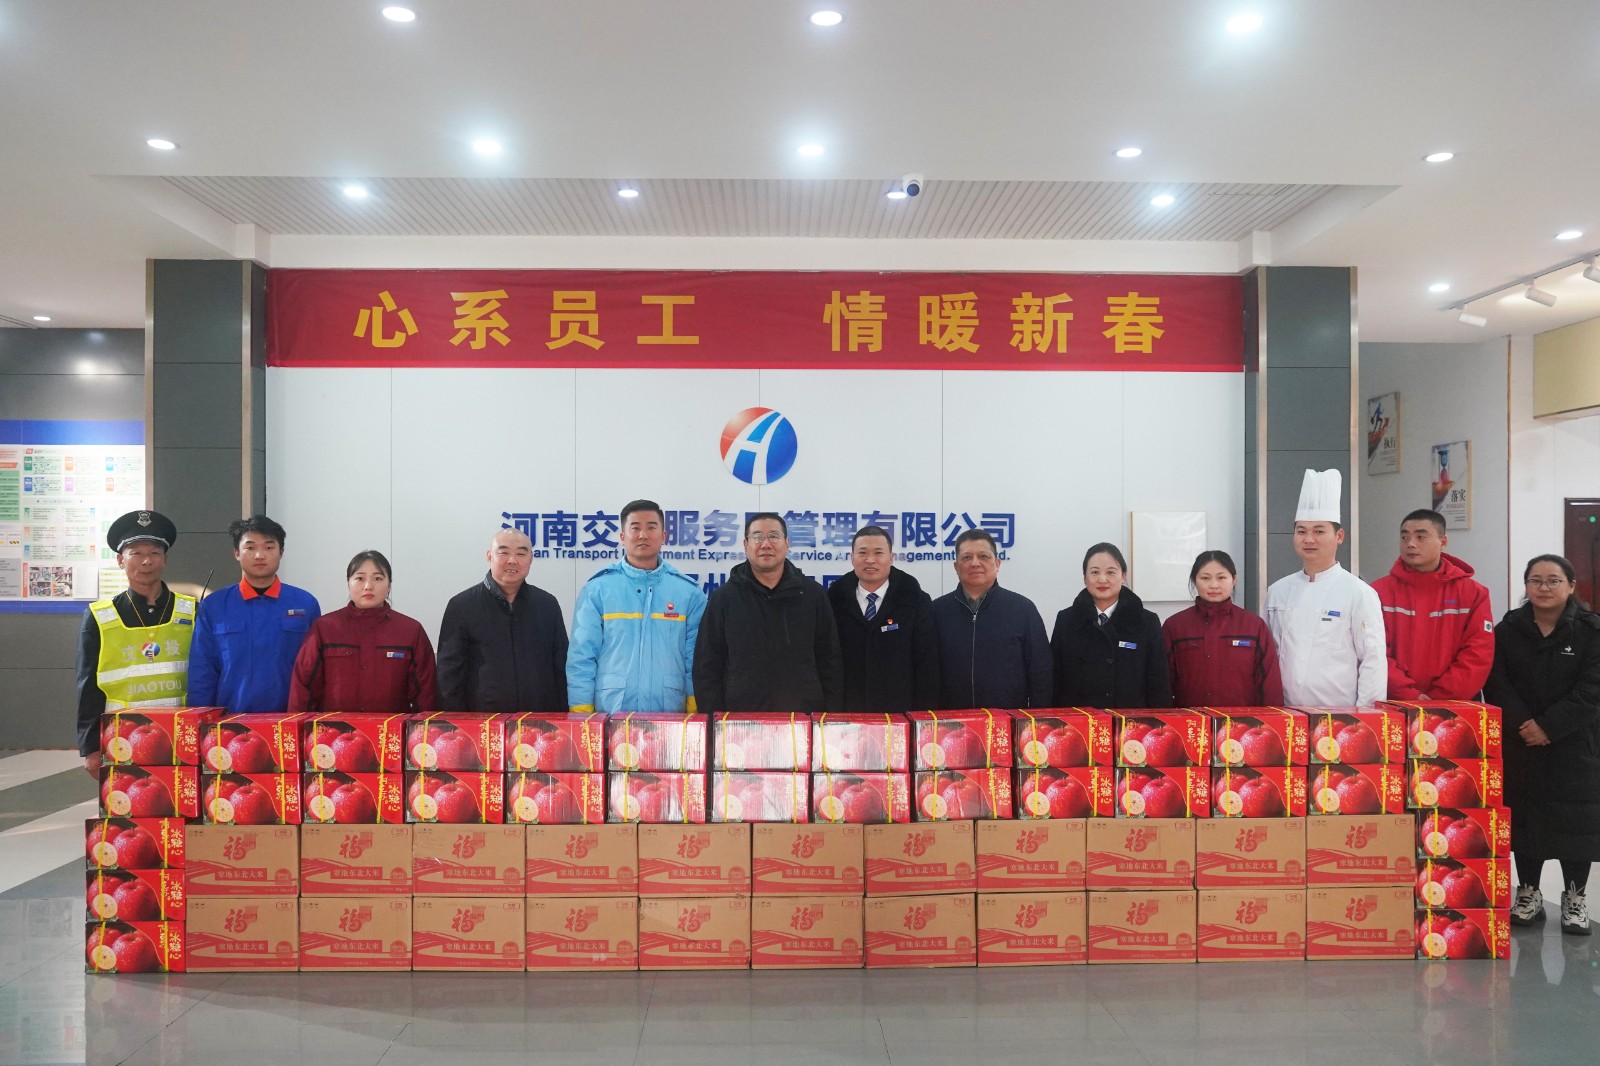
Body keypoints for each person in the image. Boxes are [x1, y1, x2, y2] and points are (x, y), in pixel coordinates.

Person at [1485, 554, 1600, 935]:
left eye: (1553, 580)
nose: (1544, 587)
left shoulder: (1591, 631)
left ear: (1571, 586)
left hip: (1574, 742)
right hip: (1521, 742)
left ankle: (1575, 898)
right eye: (1536, 580)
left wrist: (1549, 726)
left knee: (1576, 821)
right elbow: (1496, 681)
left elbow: (1592, 690)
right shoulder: (1508, 629)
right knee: (1526, 819)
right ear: (1526, 586)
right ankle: (1529, 893)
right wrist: (1525, 725)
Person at [74, 510, 196, 775]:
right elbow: (88, 686)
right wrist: (91, 748)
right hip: (121, 737)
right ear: (121, 560)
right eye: (136, 553)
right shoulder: (100, 616)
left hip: (181, 734)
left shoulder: (191, 610)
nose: (146, 561)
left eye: (154, 553)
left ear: (165, 559)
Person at [692, 512, 843, 714]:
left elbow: (829, 660)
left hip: (802, 718)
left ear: (787, 543)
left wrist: (829, 717)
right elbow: (707, 665)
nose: (765, 544)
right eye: (757, 537)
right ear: (745, 545)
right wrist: (715, 719)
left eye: (773, 536)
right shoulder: (724, 598)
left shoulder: (812, 595)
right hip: (740, 720)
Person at [566, 500, 706, 713]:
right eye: (635, 528)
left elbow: (696, 659)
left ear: (663, 536)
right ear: (622, 537)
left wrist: (694, 712)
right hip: (610, 713)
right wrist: (581, 714)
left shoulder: (688, 593)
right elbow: (582, 657)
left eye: (651, 527)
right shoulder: (597, 590)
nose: (643, 535)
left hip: (670, 715)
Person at [1264, 469, 1386, 706]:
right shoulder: (1277, 591)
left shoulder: (1359, 592)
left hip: (1340, 716)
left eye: (1319, 531)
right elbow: (1267, 656)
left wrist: (1367, 716)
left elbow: (1373, 660)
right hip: (1286, 713)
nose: (1309, 539)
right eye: (1301, 531)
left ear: (1339, 536)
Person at [188, 514, 320, 713]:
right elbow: (202, 671)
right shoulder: (214, 606)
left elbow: (316, 672)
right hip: (230, 722)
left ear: (281, 552)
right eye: (250, 548)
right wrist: (200, 719)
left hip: (290, 721)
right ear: (236, 553)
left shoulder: (305, 603)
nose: (259, 555)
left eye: (269, 547)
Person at [289, 550, 437, 714]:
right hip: (332, 729)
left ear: (389, 585)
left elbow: (426, 694)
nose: (368, 586)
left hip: (390, 728)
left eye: (377, 578)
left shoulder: (410, 631)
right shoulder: (324, 628)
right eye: (360, 578)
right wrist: (297, 727)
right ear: (348, 584)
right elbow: (303, 687)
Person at [436, 528, 568, 712]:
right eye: (503, 552)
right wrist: (458, 721)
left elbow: (561, 667)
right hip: (482, 721)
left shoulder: (547, 605)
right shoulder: (461, 606)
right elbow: (449, 675)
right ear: (489, 556)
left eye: (521, 554)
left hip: (538, 721)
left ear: (531, 559)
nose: (512, 560)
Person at [1370, 508, 1493, 701]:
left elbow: (1478, 653)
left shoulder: (1473, 593)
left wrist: (1439, 699)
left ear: (1443, 542)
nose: (1410, 544)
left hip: (1456, 704)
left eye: (1421, 537)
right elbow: (1373, 652)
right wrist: (1409, 695)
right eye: (1404, 537)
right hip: (1395, 703)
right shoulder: (1377, 592)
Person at [930, 528, 1050, 709]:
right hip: (950, 721)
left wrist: (1036, 718)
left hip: (1007, 721)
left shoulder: (1022, 609)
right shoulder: (936, 611)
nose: (975, 563)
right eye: (966, 557)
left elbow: (1041, 672)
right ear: (956, 567)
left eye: (983, 556)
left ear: (997, 563)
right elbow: (926, 672)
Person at [826, 524, 938, 713]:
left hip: (900, 713)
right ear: (852, 558)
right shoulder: (833, 601)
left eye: (878, 553)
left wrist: (922, 717)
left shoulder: (914, 600)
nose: (870, 560)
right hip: (848, 713)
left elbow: (927, 664)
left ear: (891, 558)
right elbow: (828, 661)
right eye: (862, 553)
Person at [1052, 542, 1172, 708]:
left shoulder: (1146, 622)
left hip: (1130, 721)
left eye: (1111, 572)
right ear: (1085, 578)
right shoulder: (1066, 620)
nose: (1102, 579)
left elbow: (1158, 683)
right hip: (1080, 720)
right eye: (1095, 572)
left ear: (1123, 576)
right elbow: (1054, 678)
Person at [1163, 550, 1284, 707]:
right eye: (1205, 578)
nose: (1214, 585)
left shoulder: (1254, 626)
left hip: (1242, 720)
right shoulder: (1175, 626)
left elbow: (1269, 683)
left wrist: (1273, 717)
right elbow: (1162, 683)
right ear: (1194, 580)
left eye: (1221, 578)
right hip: (1191, 719)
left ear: (1233, 580)